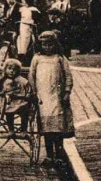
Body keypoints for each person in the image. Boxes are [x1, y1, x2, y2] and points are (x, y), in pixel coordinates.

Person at [28, 30, 74, 167]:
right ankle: (49, 156)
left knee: (58, 127)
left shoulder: (60, 59)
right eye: (44, 45)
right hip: (43, 97)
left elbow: (68, 76)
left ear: (55, 45)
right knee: (47, 128)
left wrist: (66, 92)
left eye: (50, 45)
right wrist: (34, 92)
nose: (47, 47)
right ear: (40, 45)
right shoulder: (36, 59)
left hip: (57, 97)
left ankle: (59, 155)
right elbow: (31, 75)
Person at [0, 58, 31, 133]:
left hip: (20, 101)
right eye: (9, 69)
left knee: (25, 111)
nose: (12, 71)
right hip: (7, 102)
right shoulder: (2, 80)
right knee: (9, 112)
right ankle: (11, 130)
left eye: (14, 69)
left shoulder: (21, 79)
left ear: (18, 71)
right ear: (5, 69)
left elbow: (28, 86)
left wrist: (28, 93)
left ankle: (23, 130)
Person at [17, 0, 40, 65]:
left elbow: (36, 21)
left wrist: (26, 21)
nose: (22, 1)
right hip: (21, 29)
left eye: (23, 0)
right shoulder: (21, 9)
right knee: (20, 43)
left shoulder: (33, 10)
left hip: (29, 29)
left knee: (28, 44)